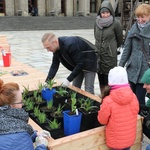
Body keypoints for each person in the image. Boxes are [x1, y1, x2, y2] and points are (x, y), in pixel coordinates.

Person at [97, 66, 139, 150]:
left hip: (115, 141)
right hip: (129, 139)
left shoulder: (108, 100)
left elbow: (102, 120)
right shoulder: (133, 97)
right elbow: (136, 112)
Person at [0, 79, 49, 150]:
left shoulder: (5, 122)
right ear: (10, 106)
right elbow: (18, 141)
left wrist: (34, 134)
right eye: (20, 102)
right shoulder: (20, 136)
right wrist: (42, 146)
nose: (22, 105)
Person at [119, 3, 150, 105]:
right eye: (138, 17)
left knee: (140, 101)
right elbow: (127, 49)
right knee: (129, 99)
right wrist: (120, 66)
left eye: (143, 17)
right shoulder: (133, 28)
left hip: (145, 73)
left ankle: (141, 119)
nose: (140, 20)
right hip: (132, 70)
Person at [94, 0, 123, 93]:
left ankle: (109, 98)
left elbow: (120, 39)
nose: (105, 15)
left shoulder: (116, 23)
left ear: (110, 12)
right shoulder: (97, 23)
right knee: (100, 78)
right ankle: (103, 97)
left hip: (110, 57)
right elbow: (96, 36)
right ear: (100, 13)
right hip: (98, 56)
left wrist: (111, 48)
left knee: (109, 80)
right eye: (103, 12)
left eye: (107, 12)